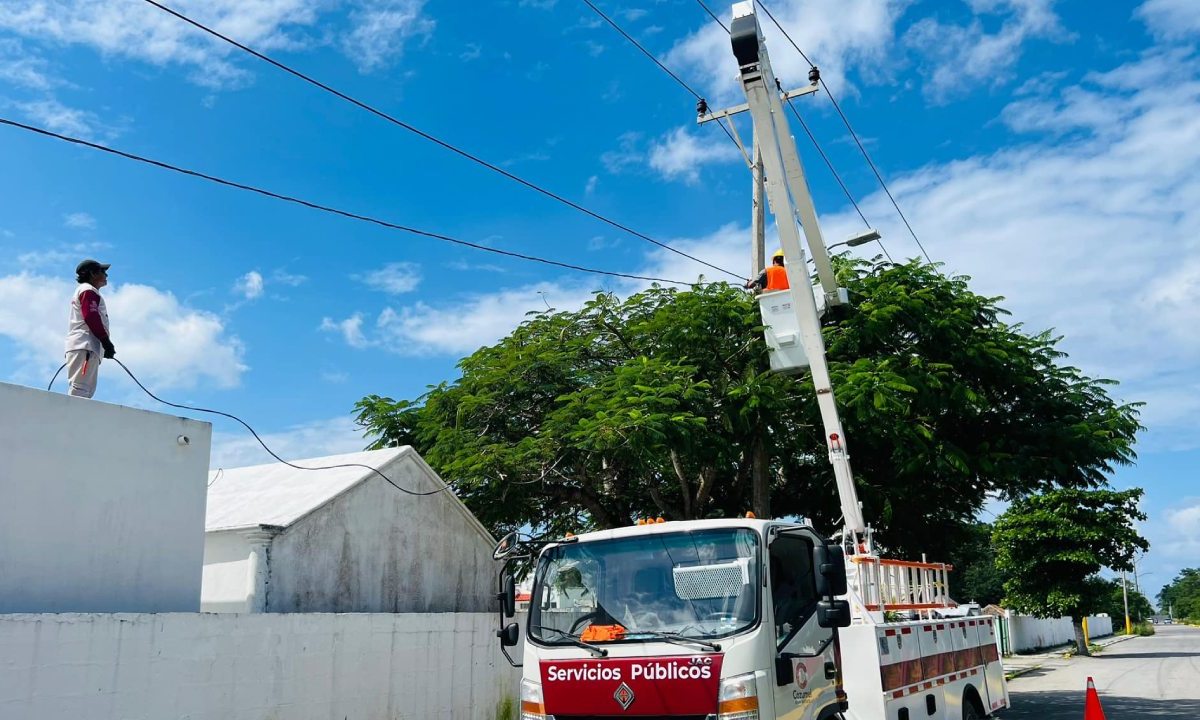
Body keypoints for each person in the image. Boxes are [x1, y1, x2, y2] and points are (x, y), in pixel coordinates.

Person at [64, 259, 115, 398]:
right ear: (92, 274)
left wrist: (103, 345)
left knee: (85, 390)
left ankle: (75, 418)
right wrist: (106, 342)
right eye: (102, 271)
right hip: (85, 345)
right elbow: (91, 316)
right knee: (81, 390)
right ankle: (72, 419)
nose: (106, 275)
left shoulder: (86, 291)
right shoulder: (88, 290)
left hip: (86, 346)